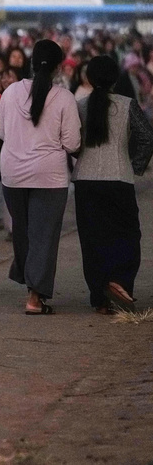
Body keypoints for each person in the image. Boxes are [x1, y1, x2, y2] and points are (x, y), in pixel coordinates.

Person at [0, 39, 81, 315]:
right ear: (59, 67)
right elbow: (72, 143)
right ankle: (34, 297)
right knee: (43, 236)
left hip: (13, 174)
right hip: (49, 176)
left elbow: (1, 133)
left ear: (31, 63)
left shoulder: (10, 92)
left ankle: (27, 278)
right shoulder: (64, 98)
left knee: (23, 232)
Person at [73, 55, 153, 314]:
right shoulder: (127, 104)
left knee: (93, 239)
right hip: (119, 178)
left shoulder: (80, 106)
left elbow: (72, 141)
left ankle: (100, 297)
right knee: (127, 235)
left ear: (88, 78)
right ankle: (119, 282)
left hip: (85, 181)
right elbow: (147, 137)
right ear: (115, 78)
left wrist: (81, 156)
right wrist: (135, 165)